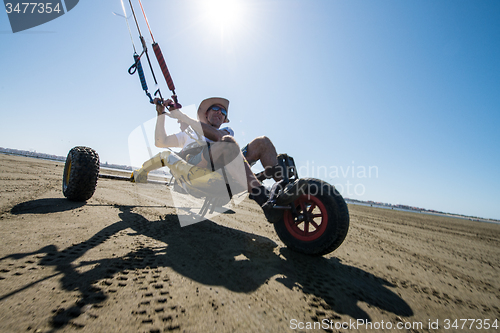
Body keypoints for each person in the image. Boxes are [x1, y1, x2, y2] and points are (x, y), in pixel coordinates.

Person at [137, 96, 304, 222]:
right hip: (197, 166)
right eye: (215, 109)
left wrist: (183, 117)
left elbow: (218, 138)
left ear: (224, 119)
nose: (219, 112)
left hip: (225, 163)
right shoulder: (187, 134)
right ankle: (263, 200)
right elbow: (160, 142)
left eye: (223, 112)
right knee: (227, 145)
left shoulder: (227, 131)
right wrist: (161, 115)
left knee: (263, 142)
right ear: (206, 114)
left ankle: (289, 196)